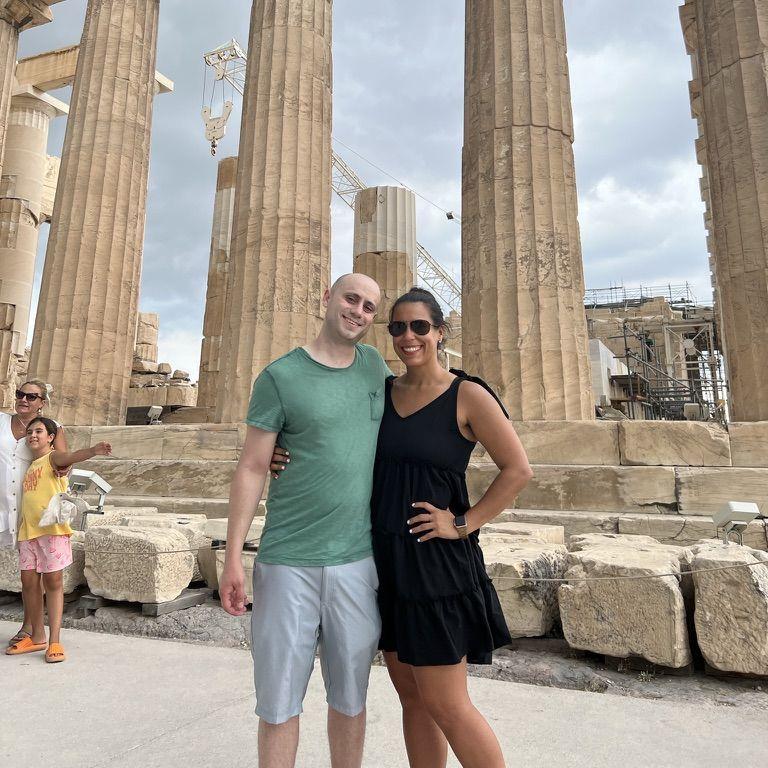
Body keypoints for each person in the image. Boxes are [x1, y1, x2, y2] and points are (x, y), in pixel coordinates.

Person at [220, 273, 390, 768]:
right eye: (350, 298)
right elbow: (252, 466)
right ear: (327, 299)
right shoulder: (280, 376)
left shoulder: (376, 368)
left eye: (369, 306)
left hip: (357, 561)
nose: (358, 310)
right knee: (277, 704)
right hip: (287, 560)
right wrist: (233, 559)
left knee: (351, 699)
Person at [372, 287, 532, 768]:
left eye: (420, 326)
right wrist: (279, 453)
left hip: (436, 566)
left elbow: (518, 469)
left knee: (448, 704)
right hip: (387, 561)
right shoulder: (380, 393)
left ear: (440, 333)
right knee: (413, 700)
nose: (408, 336)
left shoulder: (467, 394)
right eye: (397, 327)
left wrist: (463, 523)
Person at [5, 417, 111, 661]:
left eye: (39, 431)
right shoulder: (31, 465)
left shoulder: (52, 459)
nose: (33, 435)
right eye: (30, 431)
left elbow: (69, 457)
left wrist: (93, 451)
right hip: (28, 532)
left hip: (52, 531)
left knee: (53, 583)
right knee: (29, 583)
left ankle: (55, 641)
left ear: (51, 437)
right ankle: (37, 637)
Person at [0, 380, 70, 647]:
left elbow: (62, 463)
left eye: (32, 396)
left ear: (42, 402)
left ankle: (30, 627)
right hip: (3, 503)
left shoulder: (51, 429)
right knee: (27, 572)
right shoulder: (2, 421)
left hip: (30, 508)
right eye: (20, 394)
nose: (24, 399)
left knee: (32, 571)